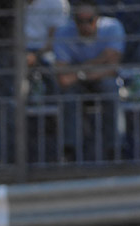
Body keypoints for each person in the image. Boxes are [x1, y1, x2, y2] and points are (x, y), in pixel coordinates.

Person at [54, 2, 125, 159]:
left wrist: (80, 71)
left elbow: (112, 68)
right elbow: (63, 77)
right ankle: (69, 151)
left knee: (110, 90)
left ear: (97, 19)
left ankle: (115, 149)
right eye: (80, 21)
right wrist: (101, 60)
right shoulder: (64, 32)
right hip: (76, 83)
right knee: (68, 96)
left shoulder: (112, 27)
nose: (84, 25)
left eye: (89, 20)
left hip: (97, 78)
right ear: (74, 21)